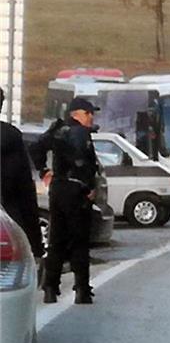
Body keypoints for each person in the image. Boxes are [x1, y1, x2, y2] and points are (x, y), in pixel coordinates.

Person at [29, 97, 100, 305]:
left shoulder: (57, 130)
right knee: (79, 241)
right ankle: (82, 290)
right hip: (76, 191)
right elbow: (83, 164)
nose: (91, 117)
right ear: (76, 113)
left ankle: (50, 289)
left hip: (58, 190)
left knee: (56, 241)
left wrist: (43, 170)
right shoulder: (80, 134)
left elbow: (35, 148)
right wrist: (88, 188)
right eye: (88, 113)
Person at [1, 87, 48, 343]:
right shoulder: (11, 140)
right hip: (10, 224)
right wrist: (35, 240)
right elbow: (25, 192)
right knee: (20, 280)